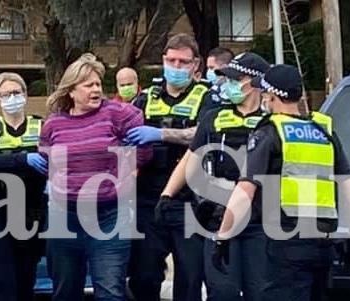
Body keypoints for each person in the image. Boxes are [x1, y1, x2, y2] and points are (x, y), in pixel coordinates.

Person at [217, 64, 350, 301]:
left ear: (273, 96)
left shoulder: (271, 132)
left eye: (266, 94)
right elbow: (347, 183)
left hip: (286, 242)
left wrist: (223, 235)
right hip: (324, 244)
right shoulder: (324, 129)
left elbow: (245, 190)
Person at [41, 53, 152, 301]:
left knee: (110, 291)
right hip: (65, 218)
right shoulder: (53, 124)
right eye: (88, 85)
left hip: (109, 215)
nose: (95, 89)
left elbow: (143, 148)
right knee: (65, 292)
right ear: (71, 90)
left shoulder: (118, 114)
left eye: (98, 84)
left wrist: (131, 174)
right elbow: (49, 162)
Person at [161, 52, 270, 301]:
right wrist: (167, 194)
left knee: (260, 291)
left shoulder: (270, 121)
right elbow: (192, 157)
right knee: (222, 291)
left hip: (260, 221)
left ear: (255, 83)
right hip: (217, 218)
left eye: (235, 78)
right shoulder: (214, 117)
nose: (228, 84)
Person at [126, 33, 218, 301]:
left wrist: (161, 135)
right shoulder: (145, 99)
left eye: (183, 62)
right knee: (143, 276)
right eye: (171, 60)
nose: (176, 67)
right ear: (163, 61)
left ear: (195, 65)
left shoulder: (207, 98)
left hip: (188, 198)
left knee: (189, 278)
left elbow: (201, 134)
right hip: (147, 197)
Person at [0, 72, 47, 301]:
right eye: (6, 94)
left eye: (17, 92)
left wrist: (7, 162)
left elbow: (53, 159)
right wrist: (23, 159)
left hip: (30, 212)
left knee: (26, 282)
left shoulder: (40, 126)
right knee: (3, 284)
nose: (12, 98)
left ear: (26, 95)